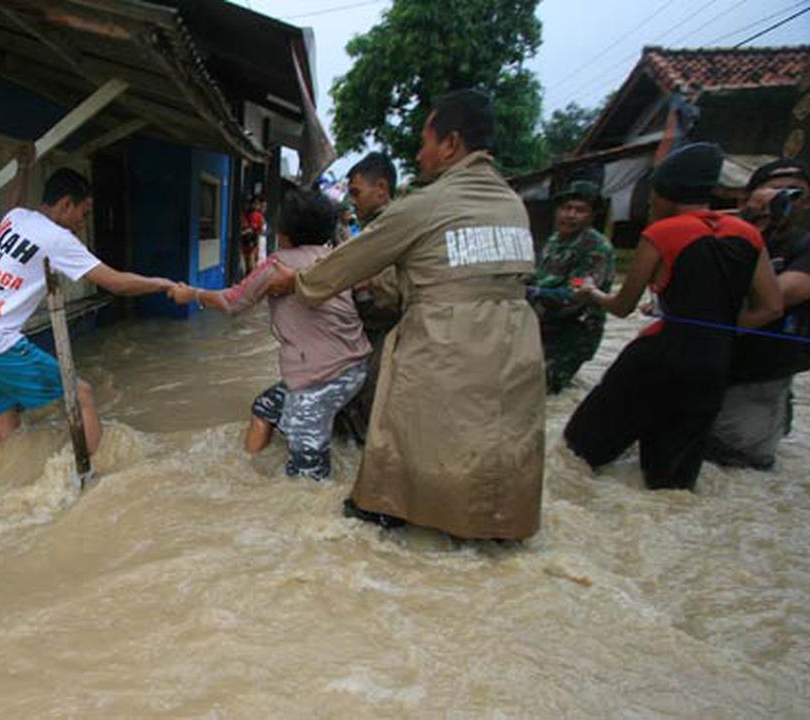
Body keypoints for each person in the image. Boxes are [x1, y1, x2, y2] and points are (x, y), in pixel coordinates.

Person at [268, 89, 546, 541]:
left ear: (451, 144)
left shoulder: (426, 204)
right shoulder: (513, 204)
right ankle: (493, 524)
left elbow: (343, 266)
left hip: (445, 336)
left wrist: (294, 283)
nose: (419, 154)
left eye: (425, 141)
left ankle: (383, 510)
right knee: (495, 439)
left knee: (399, 430)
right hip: (516, 342)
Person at [566, 143, 783, 490]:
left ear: (666, 192)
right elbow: (771, 307)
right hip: (713, 365)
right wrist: (719, 332)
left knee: (579, 449)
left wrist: (592, 293)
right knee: (671, 480)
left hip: (657, 357)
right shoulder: (748, 234)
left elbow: (622, 306)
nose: (650, 200)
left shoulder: (661, 233)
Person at [0, 165, 175, 456]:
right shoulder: (57, 239)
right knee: (82, 394)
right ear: (65, 204)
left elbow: (14, 202)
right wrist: (164, 283)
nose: (82, 223)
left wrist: (22, 169)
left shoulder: (15, 219)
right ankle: (93, 483)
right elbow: (116, 283)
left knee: (6, 434)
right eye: (83, 213)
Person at [168, 189, 370, 480]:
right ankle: (245, 473)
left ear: (284, 231)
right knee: (266, 405)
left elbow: (233, 301)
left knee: (307, 480)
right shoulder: (336, 259)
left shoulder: (277, 265)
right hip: (354, 370)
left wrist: (192, 294)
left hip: (319, 379)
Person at [704, 158, 810, 469]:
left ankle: (777, 419)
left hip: (762, 371)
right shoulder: (723, 233)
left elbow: (780, 295)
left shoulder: (803, 245)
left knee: (738, 460)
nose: (785, 199)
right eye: (775, 191)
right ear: (747, 197)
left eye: (796, 193)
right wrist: (749, 221)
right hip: (708, 360)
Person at [335, 152, 404, 445]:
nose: (353, 200)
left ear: (381, 189)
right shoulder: (373, 229)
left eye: (356, 193)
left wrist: (360, 286)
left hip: (390, 333)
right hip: (375, 333)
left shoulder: (395, 228)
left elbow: (390, 296)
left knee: (373, 408)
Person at [529, 180, 616, 393]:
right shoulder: (555, 241)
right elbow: (540, 278)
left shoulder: (595, 248)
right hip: (544, 324)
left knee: (535, 388)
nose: (570, 215)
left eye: (580, 210)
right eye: (566, 208)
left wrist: (531, 293)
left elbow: (576, 295)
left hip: (574, 331)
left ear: (591, 215)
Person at [239, 196, 267, 275]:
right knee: (249, 265)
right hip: (247, 244)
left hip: (252, 244)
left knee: (251, 265)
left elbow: (258, 231)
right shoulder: (250, 216)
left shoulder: (258, 216)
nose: (256, 206)